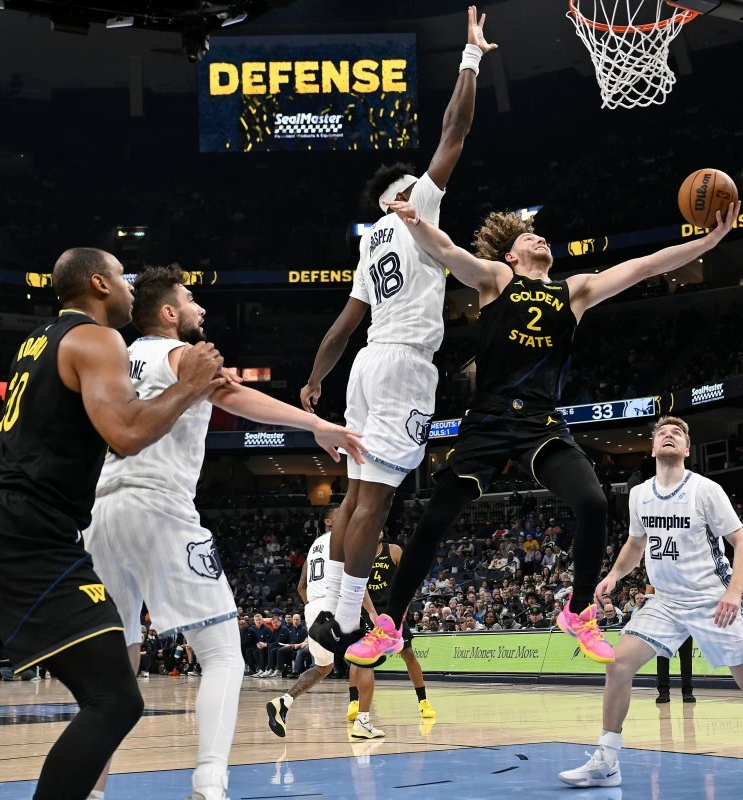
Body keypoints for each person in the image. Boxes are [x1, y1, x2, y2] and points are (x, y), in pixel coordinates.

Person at [347, 193, 742, 669]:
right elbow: (448, 251)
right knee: (434, 520)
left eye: (542, 234)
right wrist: (413, 223)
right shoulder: (496, 279)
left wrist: (710, 239)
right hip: (488, 421)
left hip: (541, 422)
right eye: (527, 236)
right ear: (511, 255)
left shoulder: (573, 290)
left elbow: (645, 266)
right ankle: (389, 625)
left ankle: (578, 612)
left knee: (594, 503)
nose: (540, 236)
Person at [0, 248, 227, 800]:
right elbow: (125, 432)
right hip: (29, 529)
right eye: (122, 277)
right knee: (116, 699)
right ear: (98, 283)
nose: (129, 287)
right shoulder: (98, 338)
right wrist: (188, 384)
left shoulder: (37, 340)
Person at [80, 266, 365, 800]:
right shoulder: (184, 355)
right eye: (190, 299)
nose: (200, 307)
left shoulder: (115, 358)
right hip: (158, 506)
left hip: (102, 513)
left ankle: (92, 790)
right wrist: (319, 426)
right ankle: (210, 784)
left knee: (116, 664)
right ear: (168, 314)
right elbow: (234, 399)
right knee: (222, 656)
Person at [302, 8, 498, 656]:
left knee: (357, 498)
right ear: (400, 194)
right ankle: (347, 620)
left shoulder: (370, 246)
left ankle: (330, 610)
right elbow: (458, 129)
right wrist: (470, 60)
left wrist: (314, 379)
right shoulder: (417, 207)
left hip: (363, 364)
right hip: (404, 366)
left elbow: (341, 325)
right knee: (377, 506)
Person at [558, 417, 743, 789]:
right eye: (662, 433)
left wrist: (734, 591)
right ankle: (607, 761)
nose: (669, 436)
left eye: (677, 434)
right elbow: (636, 545)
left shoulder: (705, 490)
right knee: (618, 665)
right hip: (665, 602)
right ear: (652, 448)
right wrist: (614, 575)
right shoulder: (639, 494)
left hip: (711, 599)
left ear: (686, 449)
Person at [266, 517, 383, 740]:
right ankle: (363, 722)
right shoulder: (343, 540)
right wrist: (372, 612)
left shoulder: (313, 547)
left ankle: (284, 702)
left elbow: (301, 586)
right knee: (366, 660)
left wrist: (315, 610)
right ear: (330, 521)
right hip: (335, 604)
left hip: (313, 606)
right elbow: (357, 580)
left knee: (323, 667)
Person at [363, 530, 436, 719]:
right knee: (363, 661)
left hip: (392, 609)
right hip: (368, 610)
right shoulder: (359, 554)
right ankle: (355, 702)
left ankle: (423, 702)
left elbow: (408, 581)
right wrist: (369, 612)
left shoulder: (393, 550)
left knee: (409, 654)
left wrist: (403, 608)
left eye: (380, 526)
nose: (377, 529)